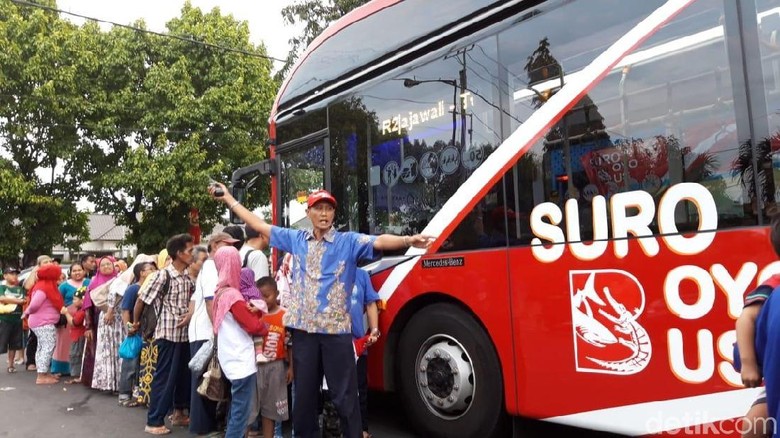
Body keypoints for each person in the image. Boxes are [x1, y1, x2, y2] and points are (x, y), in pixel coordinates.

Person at [210, 184, 433, 438]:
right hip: (304, 332)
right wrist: (228, 198)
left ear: (333, 214)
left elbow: (379, 240)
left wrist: (407, 240)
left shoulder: (347, 242)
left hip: (336, 332)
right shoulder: (297, 239)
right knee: (304, 400)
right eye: (319, 208)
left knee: (345, 396)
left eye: (329, 209)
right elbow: (260, 226)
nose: (324, 214)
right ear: (310, 212)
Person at [133, 234, 195, 436]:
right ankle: (154, 420)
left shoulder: (187, 276)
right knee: (164, 378)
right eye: (189, 250)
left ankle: (178, 412)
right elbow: (141, 300)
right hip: (167, 333)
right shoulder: (162, 275)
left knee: (182, 376)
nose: (192, 254)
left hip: (185, 334)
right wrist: (135, 323)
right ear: (179, 253)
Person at [212, 246, 268, 438]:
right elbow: (252, 325)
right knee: (241, 413)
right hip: (240, 359)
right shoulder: (233, 296)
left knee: (236, 409)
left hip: (229, 357)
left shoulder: (219, 292)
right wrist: (264, 326)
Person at [188, 232, 239, 437]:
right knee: (205, 378)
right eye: (228, 244)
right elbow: (210, 301)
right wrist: (217, 330)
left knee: (210, 376)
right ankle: (202, 427)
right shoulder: (210, 266)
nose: (232, 248)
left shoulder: (211, 267)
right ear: (215, 245)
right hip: (206, 331)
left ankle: (206, 424)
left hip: (205, 329)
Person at [738, 212, 780, 438]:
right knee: (754, 425)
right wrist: (748, 364)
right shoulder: (773, 285)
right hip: (774, 387)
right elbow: (746, 318)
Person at [248, 276, 292, 438]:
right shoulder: (254, 314)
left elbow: (290, 343)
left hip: (277, 366)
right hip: (255, 366)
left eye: (268, 296)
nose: (264, 300)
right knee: (250, 410)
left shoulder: (285, 315)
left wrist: (291, 368)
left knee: (271, 411)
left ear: (277, 293)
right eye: (260, 297)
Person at [22, 263, 68, 384]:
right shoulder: (44, 287)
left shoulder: (42, 285)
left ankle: (43, 372)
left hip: (40, 322)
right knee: (48, 346)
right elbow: (35, 304)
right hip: (43, 322)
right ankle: (41, 376)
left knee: (42, 347)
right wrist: (26, 312)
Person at [118, 258, 156, 407]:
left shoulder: (153, 288)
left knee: (143, 366)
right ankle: (124, 395)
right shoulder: (133, 289)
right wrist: (129, 328)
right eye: (150, 269)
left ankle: (140, 395)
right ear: (141, 273)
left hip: (148, 332)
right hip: (136, 332)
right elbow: (125, 310)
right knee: (130, 364)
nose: (153, 272)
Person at [52, 263, 90, 377]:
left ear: (84, 271)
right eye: (74, 271)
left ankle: (80, 369)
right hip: (67, 319)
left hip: (84, 318)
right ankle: (61, 369)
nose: (77, 273)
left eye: (79, 270)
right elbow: (57, 301)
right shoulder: (64, 286)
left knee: (81, 344)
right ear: (70, 272)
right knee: (63, 344)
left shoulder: (89, 283)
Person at [0, 267, 25, 373]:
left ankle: (11, 365)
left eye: (16, 274)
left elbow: (23, 301)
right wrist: (17, 300)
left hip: (17, 319)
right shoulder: (2, 287)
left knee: (14, 344)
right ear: (5, 276)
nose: (14, 276)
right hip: (4, 319)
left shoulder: (20, 289)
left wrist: (11, 300)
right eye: (11, 273)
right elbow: (1, 298)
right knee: (2, 342)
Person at [65, 286, 88, 384]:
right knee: (76, 354)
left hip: (79, 336)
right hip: (76, 336)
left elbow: (74, 322)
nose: (73, 301)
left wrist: (66, 313)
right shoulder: (80, 310)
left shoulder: (82, 312)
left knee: (76, 355)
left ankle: (77, 375)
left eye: (75, 299)